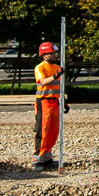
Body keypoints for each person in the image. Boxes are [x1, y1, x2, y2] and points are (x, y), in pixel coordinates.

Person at [32, 41, 66, 170]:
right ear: (45, 55)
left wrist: (65, 101)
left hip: (55, 102)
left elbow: (60, 86)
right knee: (42, 130)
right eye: (52, 54)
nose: (54, 56)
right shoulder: (40, 68)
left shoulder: (57, 67)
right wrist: (55, 75)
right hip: (43, 102)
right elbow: (43, 81)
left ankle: (47, 157)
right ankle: (37, 158)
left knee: (53, 130)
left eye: (55, 53)